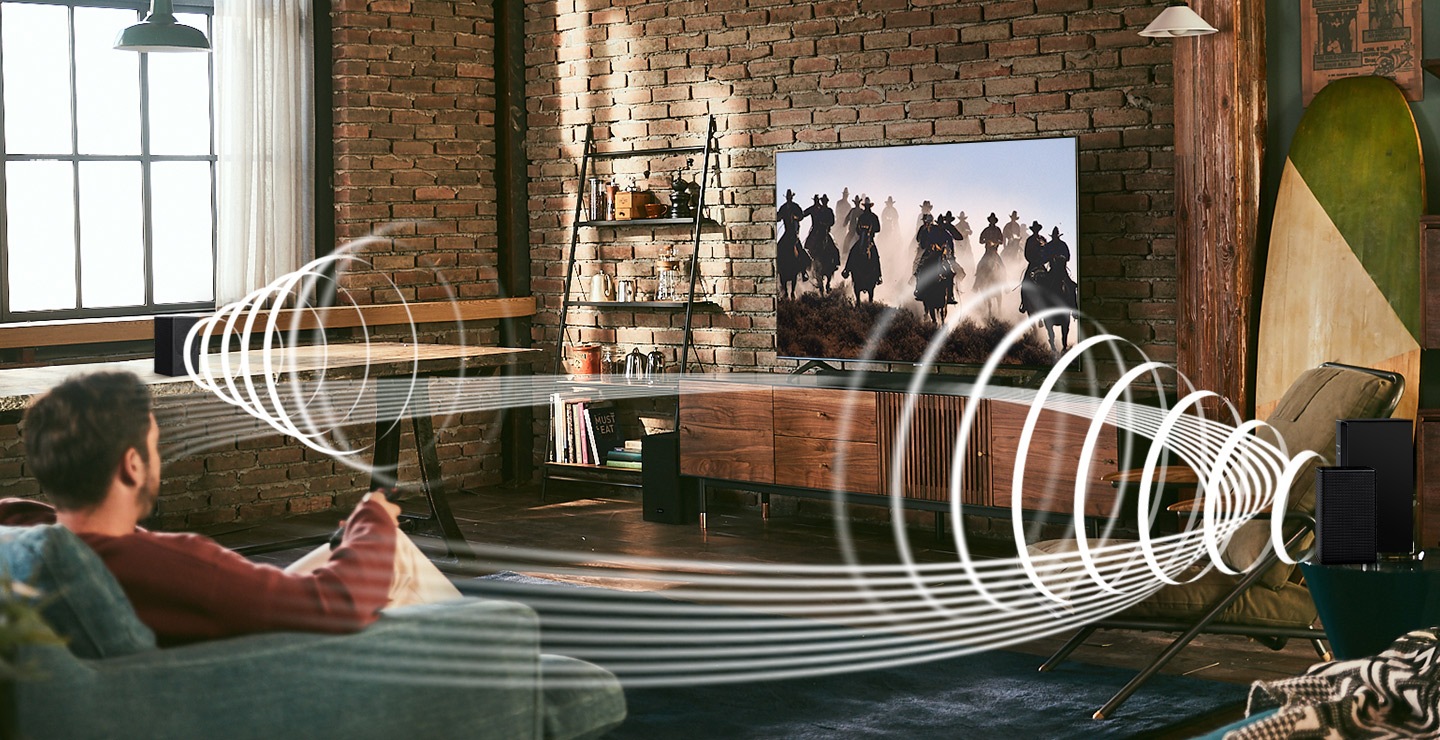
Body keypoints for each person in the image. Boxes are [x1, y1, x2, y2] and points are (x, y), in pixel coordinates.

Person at [0, 371, 459, 647]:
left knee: (379, 548)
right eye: (156, 447)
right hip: (259, 672)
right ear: (133, 464)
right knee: (391, 549)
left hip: (202, 633)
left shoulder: (24, 540)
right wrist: (373, 518)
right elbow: (333, 605)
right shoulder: (180, 566)